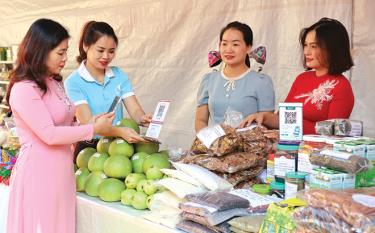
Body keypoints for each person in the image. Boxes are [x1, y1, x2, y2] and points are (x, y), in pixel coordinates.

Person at [5, 18, 120, 233]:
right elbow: (48, 133)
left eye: (66, 51)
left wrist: (91, 122)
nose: (66, 58)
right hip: (38, 173)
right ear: (40, 50)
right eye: (60, 53)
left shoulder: (54, 81)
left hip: (62, 170)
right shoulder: (24, 88)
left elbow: (66, 123)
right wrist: (94, 129)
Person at [240, 18, 355, 134]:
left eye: (314, 46)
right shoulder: (302, 79)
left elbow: (333, 132)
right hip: (288, 147)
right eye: (305, 45)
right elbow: (282, 119)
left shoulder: (342, 86)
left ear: (332, 48)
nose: (306, 52)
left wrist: (294, 126)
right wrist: (263, 116)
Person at [64, 21, 150, 158]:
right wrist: (120, 132)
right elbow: (87, 122)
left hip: (119, 146)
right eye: (100, 50)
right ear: (86, 46)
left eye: (111, 51)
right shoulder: (74, 82)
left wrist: (143, 118)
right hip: (89, 148)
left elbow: (134, 109)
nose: (106, 56)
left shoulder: (118, 75)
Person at [195, 21, 275, 132]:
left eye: (235, 44)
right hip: (214, 146)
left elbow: (267, 122)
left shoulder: (261, 82)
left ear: (248, 48)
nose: (228, 49)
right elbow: (200, 120)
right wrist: (208, 140)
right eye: (224, 44)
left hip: (248, 147)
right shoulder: (209, 80)